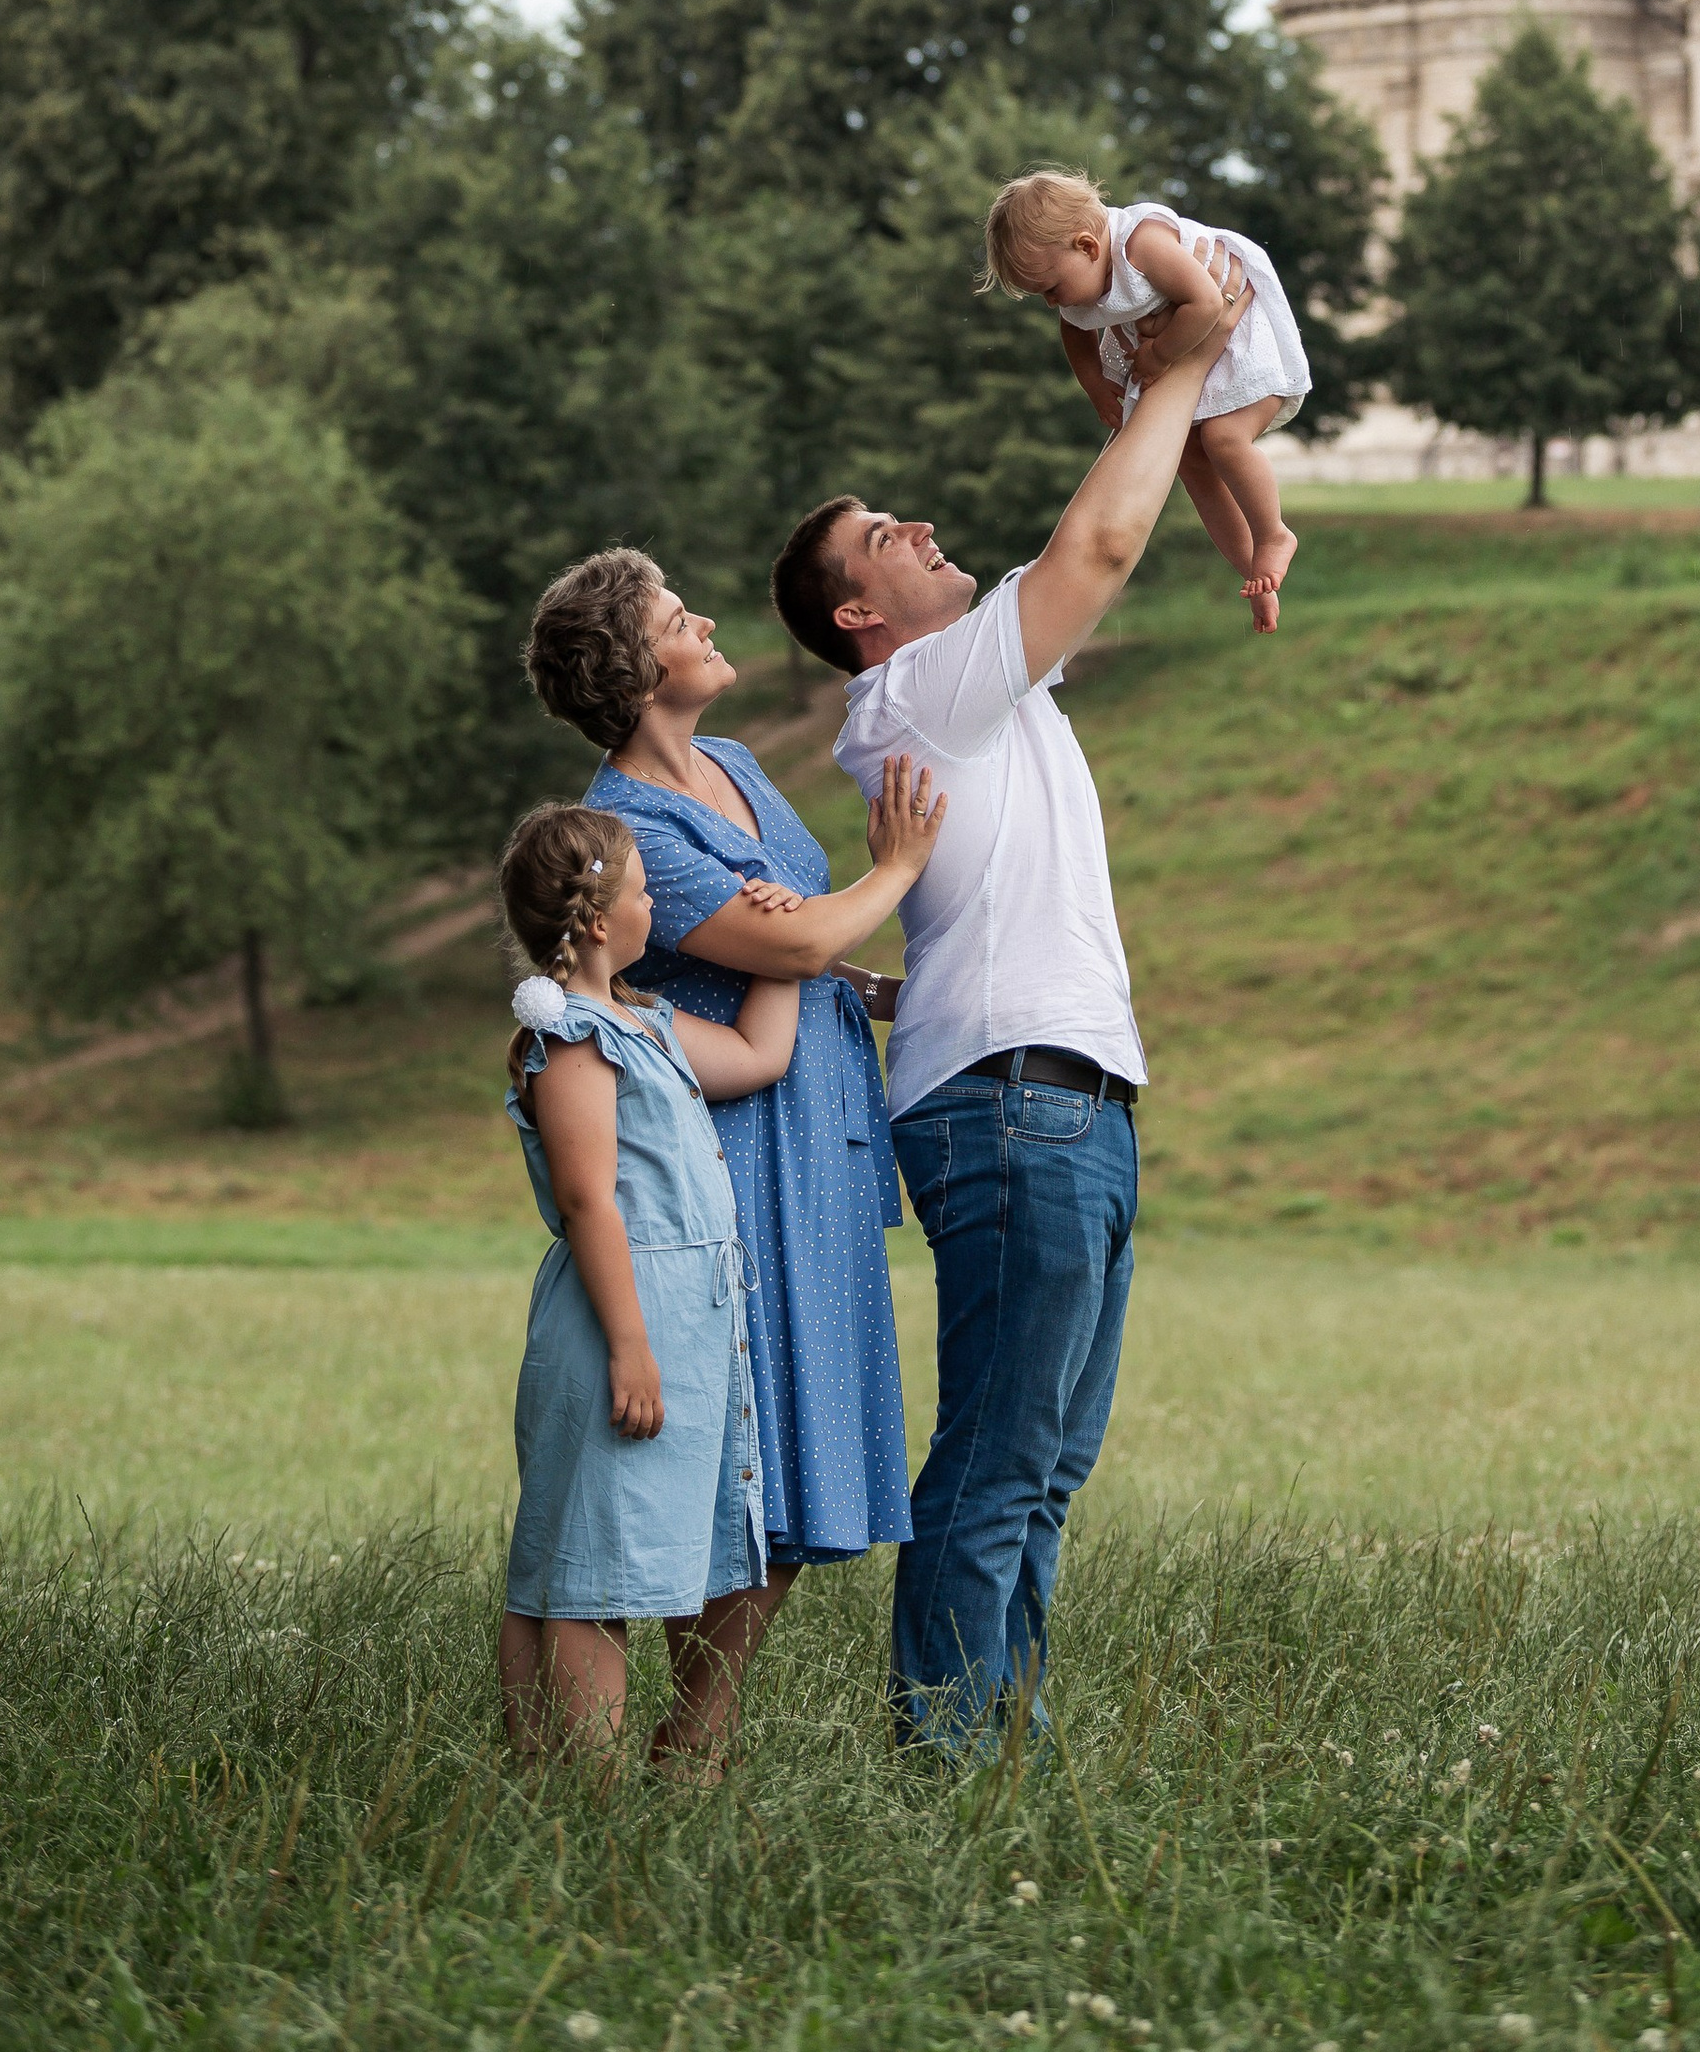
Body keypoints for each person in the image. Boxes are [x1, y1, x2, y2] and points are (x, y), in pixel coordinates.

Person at [769, 238, 1249, 1757]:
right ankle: (946, 1768)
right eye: (881, 537)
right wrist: (1176, 364)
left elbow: (1112, 512)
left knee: (1039, 1465)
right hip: (1015, 1111)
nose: (917, 524)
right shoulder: (915, 691)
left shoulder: (992, 688)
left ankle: (996, 1755)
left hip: (1068, 1100)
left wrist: (1133, 368)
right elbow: (1095, 552)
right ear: (862, 616)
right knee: (993, 1463)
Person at [525, 548, 948, 1675]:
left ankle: (702, 1726)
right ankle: (696, 1727)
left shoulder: (737, 762)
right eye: (676, 616)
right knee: (748, 1443)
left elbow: (809, 952)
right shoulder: (627, 824)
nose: (704, 620)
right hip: (740, 1150)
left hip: (818, 1134)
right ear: (632, 665)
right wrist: (897, 868)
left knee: (806, 1437)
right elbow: (794, 934)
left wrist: (875, 991)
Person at [495, 802, 797, 1765]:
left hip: (682, 1323)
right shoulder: (578, 1038)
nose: (655, 903)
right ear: (594, 919)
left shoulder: (646, 1023)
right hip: (626, 1322)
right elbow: (590, 1200)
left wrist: (780, 942)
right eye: (641, 890)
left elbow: (758, 1056)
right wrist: (632, 1344)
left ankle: (565, 1783)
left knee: (622, 1548)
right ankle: (585, 1798)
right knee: (592, 1564)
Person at [982, 169, 1311, 627]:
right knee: (1189, 460)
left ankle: (1273, 533)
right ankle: (1253, 570)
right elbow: (1075, 335)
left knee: (1222, 437)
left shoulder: (1142, 245)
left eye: (1051, 288)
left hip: (1245, 336)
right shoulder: (1078, 286)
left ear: (1088, 247)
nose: (1052, 303)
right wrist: (1097, 387)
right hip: (1192, 341)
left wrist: (1157, 354)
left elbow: (1208, 304)